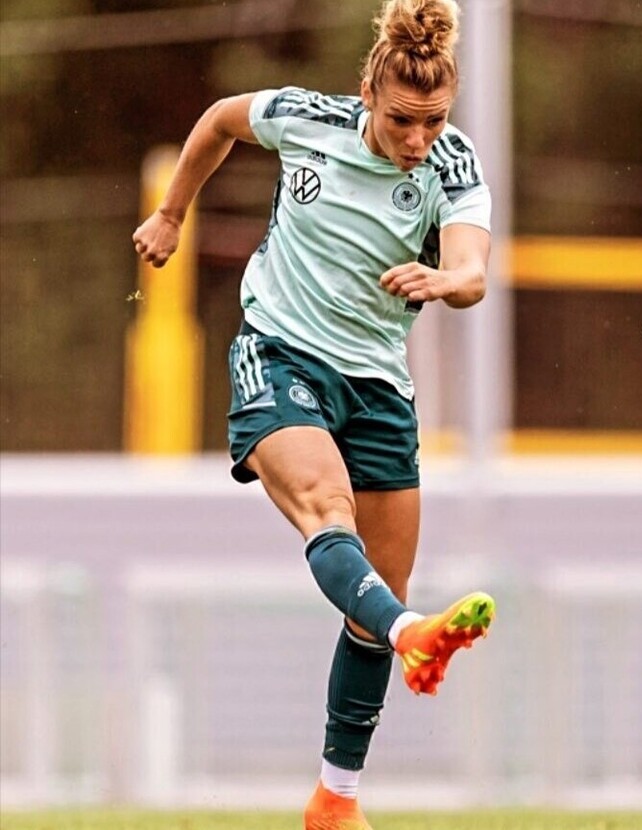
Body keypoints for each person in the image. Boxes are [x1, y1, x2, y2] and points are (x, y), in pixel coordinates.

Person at [132, 1, 494, 827]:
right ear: (368, 94)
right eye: (402, 120)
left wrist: (447, 281)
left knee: (381, 589)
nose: (418, 139)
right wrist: (173, 212)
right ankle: (412, 637)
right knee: (330, 513)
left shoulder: (453, 163)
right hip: (283, 355)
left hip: (379, 386)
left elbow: (472, 269)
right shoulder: (307, 119)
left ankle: (335, 799)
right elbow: (220, 120)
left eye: (434, 120)